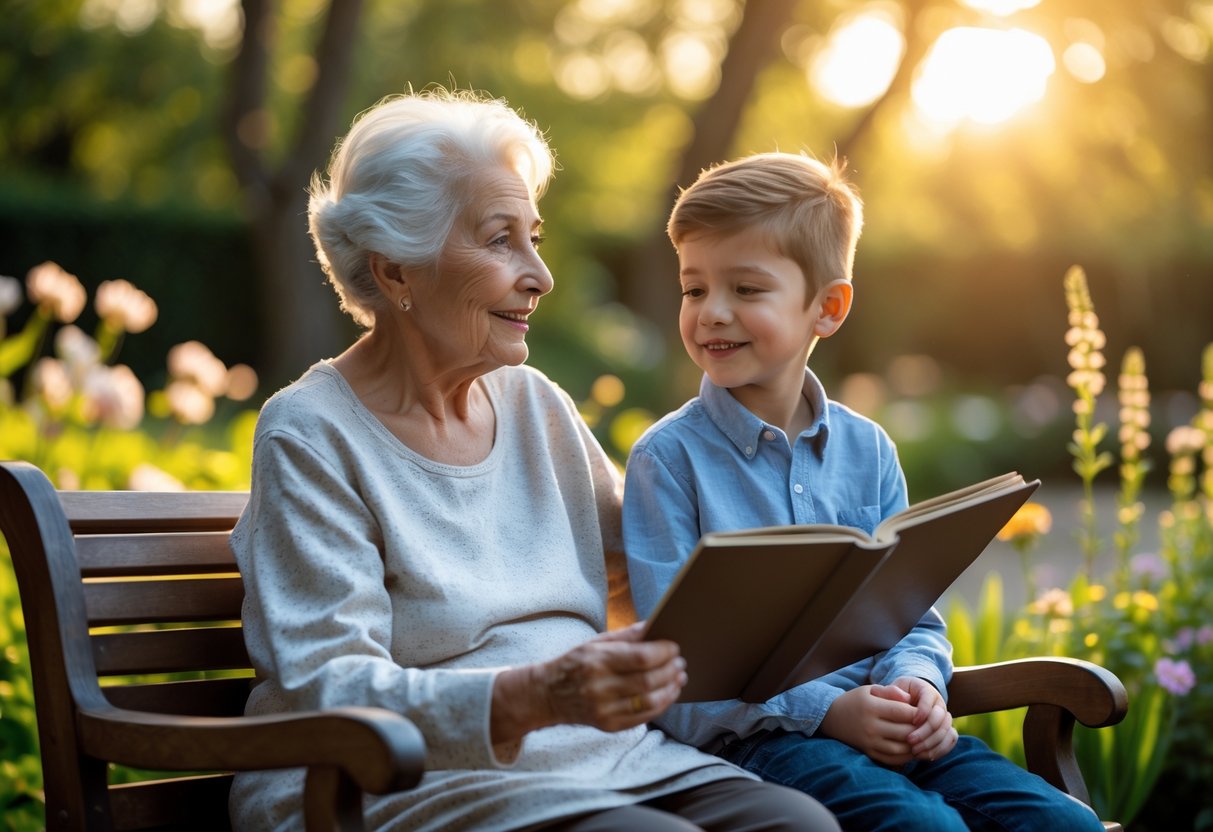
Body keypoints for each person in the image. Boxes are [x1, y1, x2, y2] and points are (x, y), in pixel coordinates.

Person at [227, 89, 840, 832]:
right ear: (395, 271)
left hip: (601, 761)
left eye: (534, 239)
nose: (538, 276)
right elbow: (332, 685)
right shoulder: (310, 432)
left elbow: (645, 578)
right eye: (498, 241)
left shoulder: (532, 404)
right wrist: (534, 695)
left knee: (799, 825)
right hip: (407, 785)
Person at [621, 152, 1106, 832]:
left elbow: (913, 618)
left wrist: (920, 687)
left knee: (1066, 825)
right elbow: (678, 677)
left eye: (746, 289)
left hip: (890, 729)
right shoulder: (667, 460)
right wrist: (830, 712)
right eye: (693, 289)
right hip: (761, 745)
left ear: (827, 307)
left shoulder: (866, 449)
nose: (711, 313)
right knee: (928, 830)